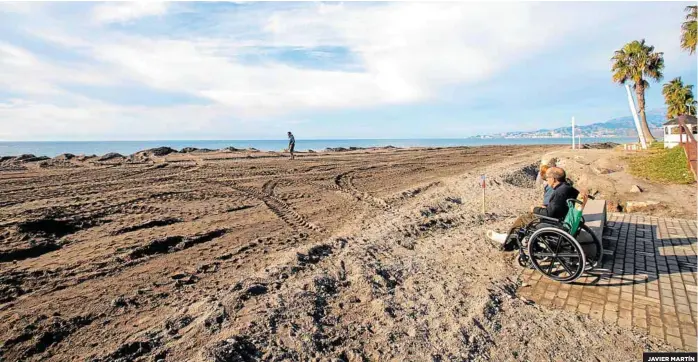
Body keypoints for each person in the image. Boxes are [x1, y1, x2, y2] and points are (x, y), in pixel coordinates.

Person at [487, 167, 579, 250]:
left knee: (523, 219)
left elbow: (549, 213)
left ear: (553, 179)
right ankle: (510, 238)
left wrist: (534, 209)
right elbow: (556, 208)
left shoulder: (559, 192)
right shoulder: (568, 188)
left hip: (555, 222)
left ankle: (508, 241)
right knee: (530, 215)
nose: (547, 181)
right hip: (562, 219)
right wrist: (543, 208)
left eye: (547, 179)